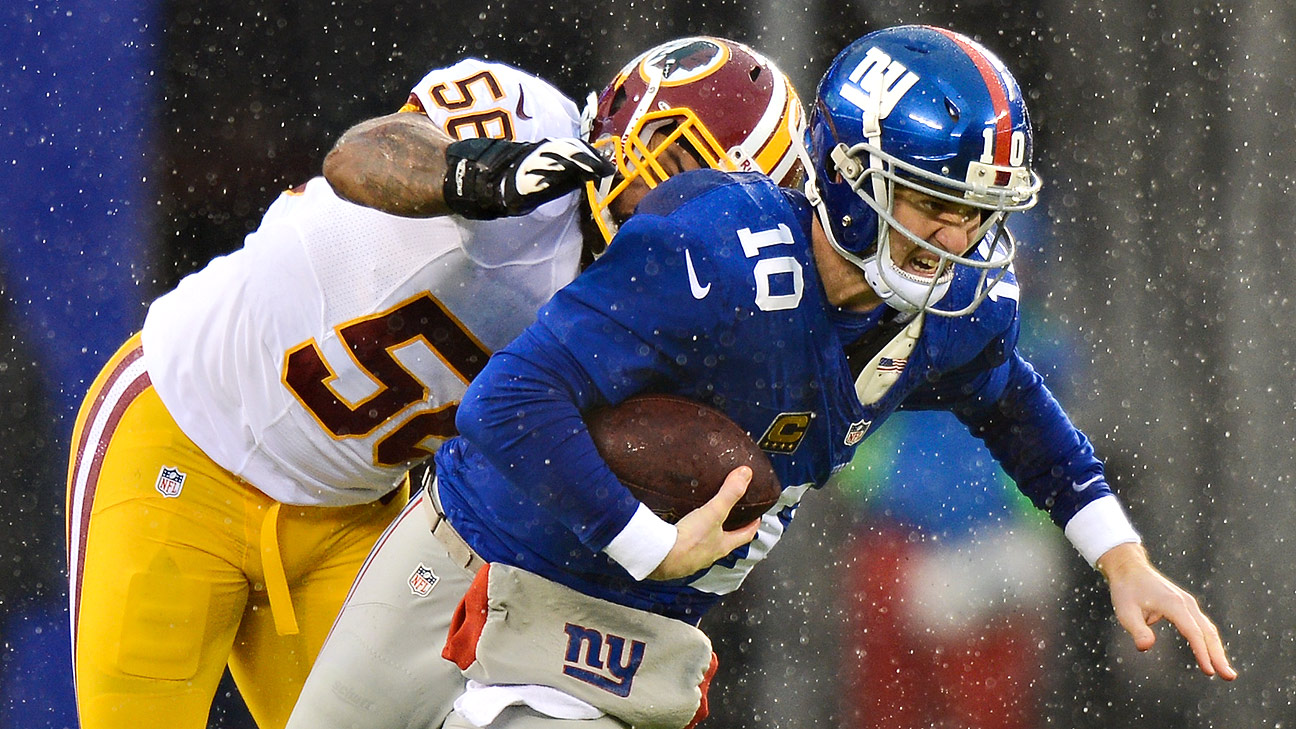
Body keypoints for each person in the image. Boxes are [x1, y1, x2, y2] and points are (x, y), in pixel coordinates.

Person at [288, 24, 1235, 729]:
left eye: (979, 211)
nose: (962, 239)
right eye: (937, 202)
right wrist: (646, 538)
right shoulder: (716, 255)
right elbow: (507, 402)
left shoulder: (960, 306)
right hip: (470, 541)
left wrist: (1121, 554)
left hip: (621, 625)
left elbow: (1010, 397)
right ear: (852, 173)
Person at [64, 57, 611, 729]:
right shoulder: (530, 121)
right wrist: (476, 176)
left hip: (348, 515)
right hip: (186, 432)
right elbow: (359, 156)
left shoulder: (651, 318)